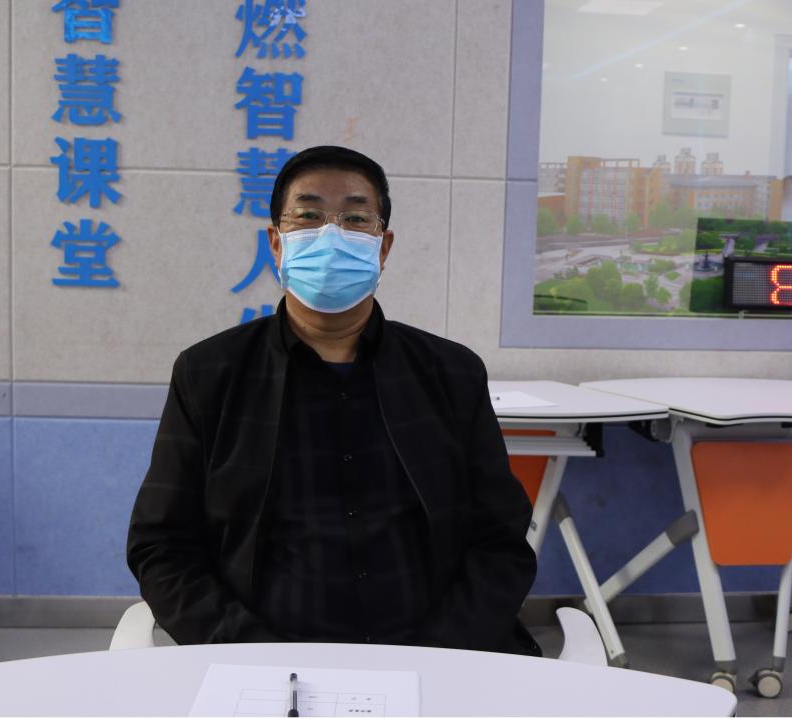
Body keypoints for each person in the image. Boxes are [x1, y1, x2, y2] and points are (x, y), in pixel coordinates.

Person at [127, 145, 539, 655]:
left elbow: (500, 539)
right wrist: (250, 653)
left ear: (383, 248)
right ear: (276, 244)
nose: (331, 234)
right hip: (260, 659)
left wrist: (440, 653)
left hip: (437, 656)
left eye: (355, 219)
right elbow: (162, 545)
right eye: (309, 216)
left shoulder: (452, 374)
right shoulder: (209, 374)